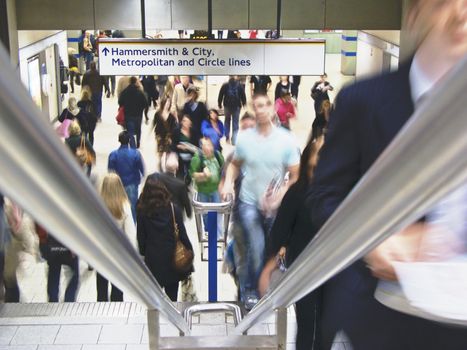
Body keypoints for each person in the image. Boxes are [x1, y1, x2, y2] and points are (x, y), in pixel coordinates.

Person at [307, 1, 467, 349]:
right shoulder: (363, 102)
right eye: (442, 2)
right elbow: (323, 197)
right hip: (378, 319)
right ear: (414, 15)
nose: (459, 12)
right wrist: (372, 241)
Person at [221, 94, 300, 309]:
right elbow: (235, 164)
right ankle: (250, 291)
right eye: (257, 106)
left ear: (272, 110)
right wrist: (228, 182)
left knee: (270, 250)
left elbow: (295, 175)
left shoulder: (286, 140)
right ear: (253, 110)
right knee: (255, 246)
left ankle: (265, 288)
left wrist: (280, 196)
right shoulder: (245, 138)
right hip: (248, 202)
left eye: (265, 105)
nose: (262, 109)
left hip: (274, 205)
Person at [259, 136, 324, 350]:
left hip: (330, 266)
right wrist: (269, 267)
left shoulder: (338, 193)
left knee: (326, 325)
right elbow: (278, 233)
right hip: (303, 268)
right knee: (306, 324)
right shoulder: (297, 194)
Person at [137, 176, 194, 301]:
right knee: (172, 298)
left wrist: (143, 252)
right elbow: (182, 235)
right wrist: (190, 254)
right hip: (172, 260)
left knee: (154, 299)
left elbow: (141, 237)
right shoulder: (174, 209)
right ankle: (170, 320)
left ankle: (156, 319)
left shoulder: (142, 210)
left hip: (153, 261)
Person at [97, 173, 137, 301]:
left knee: (101, 286)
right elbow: (130, 233)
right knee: (118, 287)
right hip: (118, 252)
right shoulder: (124, 205)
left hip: (101, 251)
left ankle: (101, 310)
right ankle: (117, 312)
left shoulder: (97, 204)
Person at [190, 138, 224, 238]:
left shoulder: (217, 155)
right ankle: (207, 229)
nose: (208, 148)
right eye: (205, 145)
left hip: (215, 189)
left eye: (210, 145)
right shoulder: (198, 158)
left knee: (217, 211)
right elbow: (192, 174)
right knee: (205, 212)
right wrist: (203, 175)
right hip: (203, 190)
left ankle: (217, 234)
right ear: (202, 147)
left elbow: (224, 169)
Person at [108, 131, 145, 223]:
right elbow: (141, 168)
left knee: (118, 204)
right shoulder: (136, 153)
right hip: (132, 182)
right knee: (132, 205)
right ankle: (133, 224)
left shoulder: (113, 155)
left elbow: (110, 170)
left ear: (119, 140)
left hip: (118, 183)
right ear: (129, 140)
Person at [148, 153, 192, 219]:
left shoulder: (157, 178)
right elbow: (185, 201)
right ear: (177, 168)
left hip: (160, 212)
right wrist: (189, 213)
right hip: (176, 214)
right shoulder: (180, 184)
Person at [118, 76, 149, 149]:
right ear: (135, 82)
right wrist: (142, 109)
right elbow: (145, 104)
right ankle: (138, 142)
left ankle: (133, 145)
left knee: (130, 131)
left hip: (128, 115)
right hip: (138, 115)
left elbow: (120, 102)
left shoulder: (125, 92)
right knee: (138, 130)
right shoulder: (140, 92)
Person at [217, 76, 246, 145]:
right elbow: (243, 95)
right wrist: (244, 103)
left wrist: (219, 103)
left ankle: (227, 138)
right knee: (235, 123)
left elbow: (220, 95)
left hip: (227, 106)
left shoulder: (225, 85)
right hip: (237, 107)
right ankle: (234, 140)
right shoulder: (239, 85)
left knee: (227, 121)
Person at [153, 95, 178, 170]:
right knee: (160, 152)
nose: (167, 104)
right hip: (160, 136)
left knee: (168, 151)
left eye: (169, 103)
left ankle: (167, 166)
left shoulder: (171, 115)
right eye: (166, 102)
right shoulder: (158, 114)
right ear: (163, 103)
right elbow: (155, 124)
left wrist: (171, 137)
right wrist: (156, 135)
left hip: (168, 136)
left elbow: (174, 126)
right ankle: (160, 165)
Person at [171, 114, 196, 185]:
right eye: (184, 121)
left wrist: (189, 148)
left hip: (191, 157)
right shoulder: (176, 131)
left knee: (190, 174)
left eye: (188, 121)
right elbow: (172, 145)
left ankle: (187, 183)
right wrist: (178, 146)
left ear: (190, 123)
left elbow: (196, 145)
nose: (186, 123)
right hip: (180, 157)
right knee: (180, 176)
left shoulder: (193, 131)